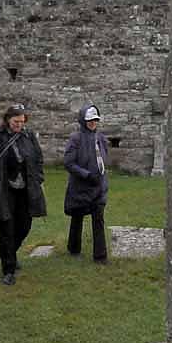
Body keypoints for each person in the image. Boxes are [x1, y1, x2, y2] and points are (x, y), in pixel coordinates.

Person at [0, 103, 46, 286]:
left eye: (22, 121)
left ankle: (7, 253)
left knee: (25, 225)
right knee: (7, 229)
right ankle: (8, 269)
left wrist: (38, 177)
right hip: (3, 189)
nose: (19, 125)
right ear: (7, 120)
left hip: (25, 189)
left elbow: (38, 158)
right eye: (16, 121)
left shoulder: (28, 136)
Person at [64, 104, 109, 263]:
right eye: (90, 120)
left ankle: (100, 256)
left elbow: (103, 158)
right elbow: (69, 163)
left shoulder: (101, 138)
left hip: (98, 186)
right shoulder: (75, 138)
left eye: (95, 120)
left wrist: (101, 178)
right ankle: (73, 248)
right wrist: (86, 175)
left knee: (98, 219)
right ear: (83, 121)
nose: (93, 123)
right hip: (80, 186)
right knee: (77, 217)